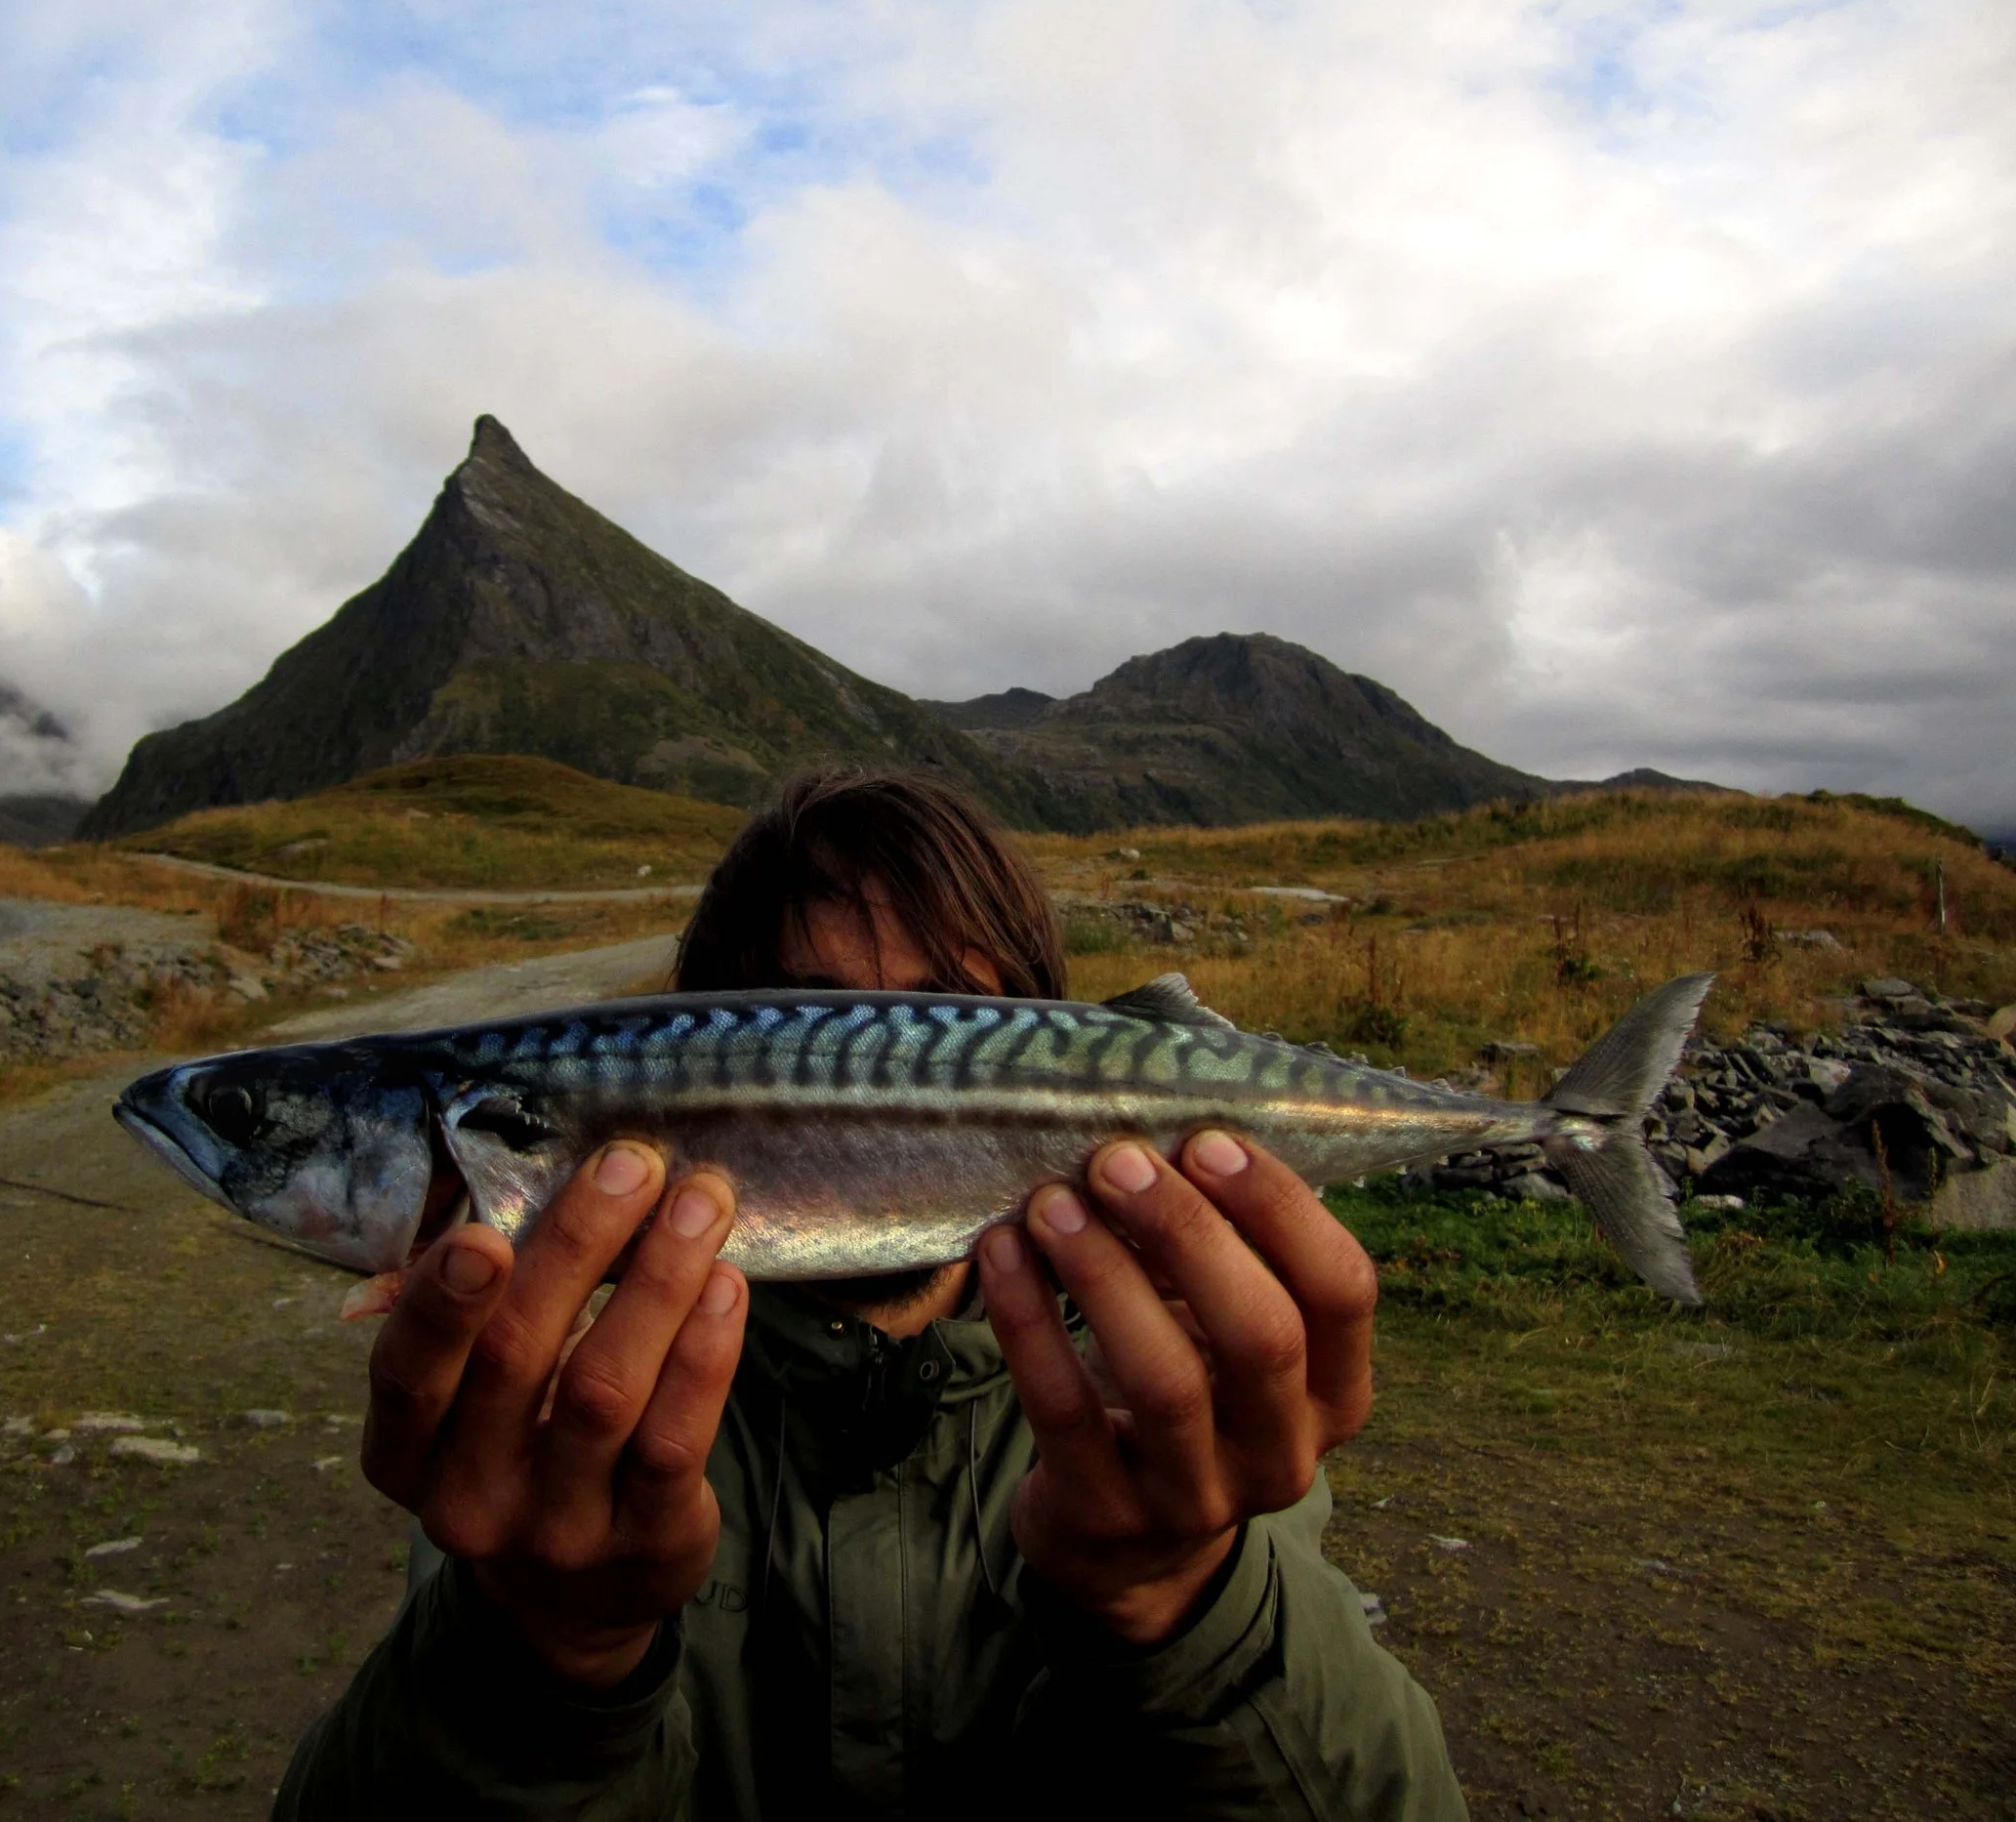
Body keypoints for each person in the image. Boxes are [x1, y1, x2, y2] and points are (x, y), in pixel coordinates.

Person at [273, 768, 1464, 1819]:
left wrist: (1192, 1611)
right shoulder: (567, 1436)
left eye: (957, 1017)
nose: (877, 1082)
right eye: (794, 1019)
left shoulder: (1162, 1415)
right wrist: (541, 1656)